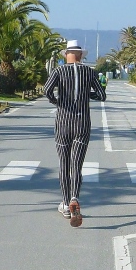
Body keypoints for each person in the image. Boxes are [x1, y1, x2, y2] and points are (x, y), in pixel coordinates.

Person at [43, 40, 106, 227]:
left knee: (64, 164)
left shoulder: (59, 71)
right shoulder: (89, 72)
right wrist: (86, 94)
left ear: (66, 55)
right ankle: (74, 198)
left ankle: (65, 203)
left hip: (63, 123)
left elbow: (46, 91)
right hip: (82, 124)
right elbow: (102, 95)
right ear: (80, 56)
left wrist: (57, 101)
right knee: (76, 165)